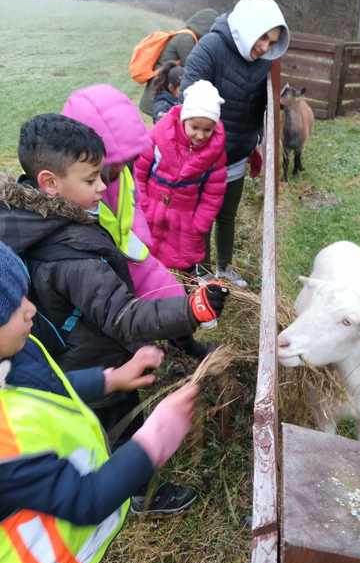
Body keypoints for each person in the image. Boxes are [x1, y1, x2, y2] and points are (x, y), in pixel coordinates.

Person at [0, 114, 228, 514]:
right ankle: (140, 494)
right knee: (120, 422)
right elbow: (122, 315)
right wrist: (191, 309)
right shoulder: (72, 255)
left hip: (71, 355)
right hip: (92, 354)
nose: (103, 187)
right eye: (91, 180)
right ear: (49, 183)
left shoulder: (31, 218)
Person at [0, 240, 198, 563]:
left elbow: (50, 388)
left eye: (22, 295)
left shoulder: (15, 351)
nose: (30, 308)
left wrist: (110, 379)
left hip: (48, 523)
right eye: (12, 309)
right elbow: (84, 499)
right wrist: (152, 441)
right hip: (26, 562)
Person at [62, 83, 210, 360]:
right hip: (101, 270)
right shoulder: (76, 191)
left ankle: (185, 346)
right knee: (123, 327)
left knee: (173, 296)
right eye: (115, 162)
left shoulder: (120, 173)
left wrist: (143, 240)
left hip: (131, 255)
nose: (123, 167)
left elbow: (132, 206)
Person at [180, 0, 289, 287]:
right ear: (248, 26)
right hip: (204, 157)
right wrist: (205, 144)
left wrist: (258, 139)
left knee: (228, 216)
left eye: (272, 41)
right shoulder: (211, 48)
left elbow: (262, 104)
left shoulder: (265, 61)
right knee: (203, 217)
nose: (265, 47)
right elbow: (189, 97)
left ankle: (224, 267)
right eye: (262, 37)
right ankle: (202, 274)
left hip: (237, 156)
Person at [135, 80, 227, 275]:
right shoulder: (160, 137)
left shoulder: (215, 154)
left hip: (184, 221)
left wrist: (199, 224)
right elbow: (140, 171)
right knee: (146, 261)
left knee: (186, 265)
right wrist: (142, 203)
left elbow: (213, 194)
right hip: (151, 212)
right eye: (195, 127)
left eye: (207, 130)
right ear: (183, 120)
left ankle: (187, 291)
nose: (200, 135)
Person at [139, 8, 218, 118]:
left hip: (160, 89)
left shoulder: (185, 35)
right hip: (161, 93)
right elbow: (192, 66)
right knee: (161, 125)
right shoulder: (186, 39)